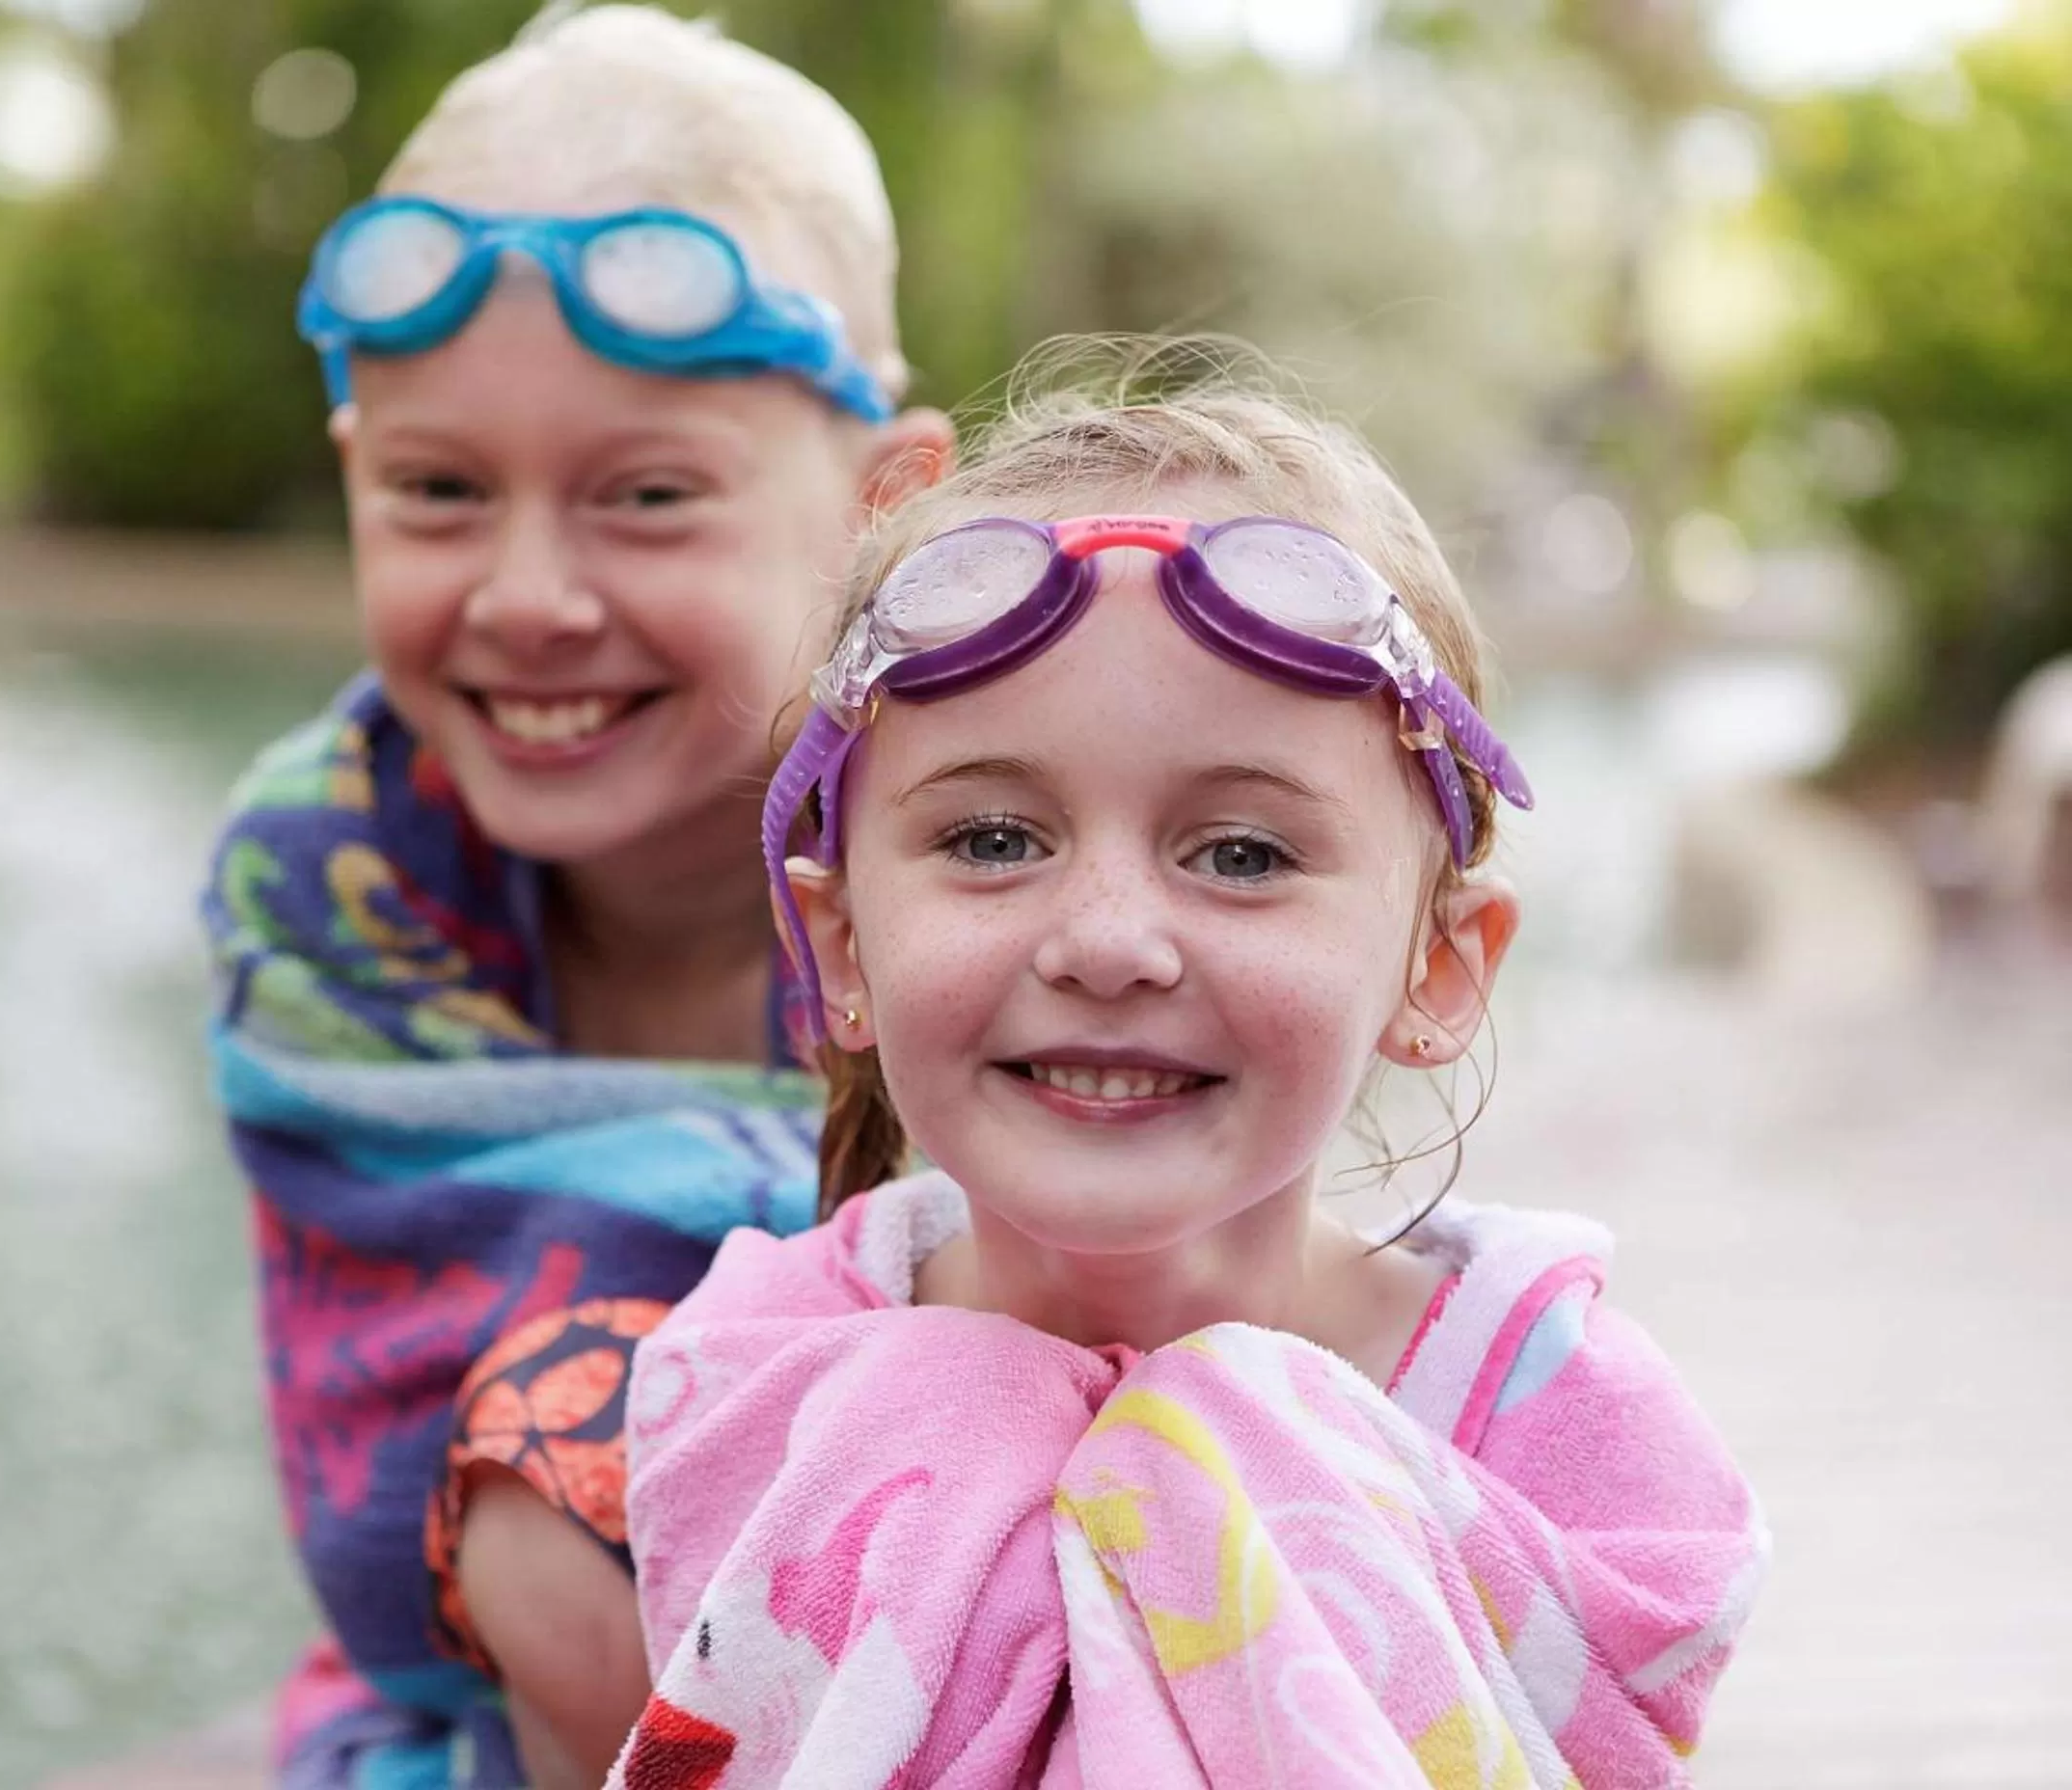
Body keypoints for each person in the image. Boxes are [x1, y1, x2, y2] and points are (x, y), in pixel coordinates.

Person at [611, 357, 1767, 1783]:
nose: (1107, 944)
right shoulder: (748, 1380)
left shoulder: (1561, 1425)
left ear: (1441, 967)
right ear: (844, 947)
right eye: (991, 840)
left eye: (1242, 855)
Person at [198, 8, 951, 1785]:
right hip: (488, 1688)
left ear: (881, 504)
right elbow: (397, 1447)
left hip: (960, 1620)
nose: (529, 596)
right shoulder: (340, 858)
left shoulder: (988, 842)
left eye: (647, 497)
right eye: (440, 491)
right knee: (562, 1518)